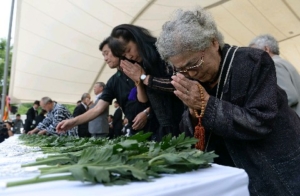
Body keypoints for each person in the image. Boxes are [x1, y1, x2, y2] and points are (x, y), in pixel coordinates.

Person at [155, 7, 300, 196]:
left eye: (194, 64)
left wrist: (205, 105)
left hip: (273, 166)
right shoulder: (191, 78)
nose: (190, 73)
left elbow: (260, 122)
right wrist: (193, 112)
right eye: (181, 69)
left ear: (213, 42)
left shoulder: (253, 62)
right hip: (233, 174)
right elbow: (193, 136)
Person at [56, 38, 152, 138]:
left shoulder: (141, 69)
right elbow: (97, 108)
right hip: (136, 132)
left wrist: (146, 112)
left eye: (107, 53)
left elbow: (162, 97)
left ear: (117, 49)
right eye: (103, 55)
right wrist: (73, 122)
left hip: (157, 127)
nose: (105, 59)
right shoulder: (113, 82)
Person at [110, 24, 184, 140]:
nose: (130, 56)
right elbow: (145, 101)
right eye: (124, 55)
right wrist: (138, 82)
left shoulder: (162, 51)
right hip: (162, 127)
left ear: (136, 38)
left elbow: (177, 84)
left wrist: (144, 78)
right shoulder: (142, 64)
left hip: (182, 122)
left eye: (128, 50)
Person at [249, 34, 300, 116]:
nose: (253, 57)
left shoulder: (274, 65)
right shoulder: (283, 63)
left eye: (254, 52)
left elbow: (289, 96)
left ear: (266, 49)